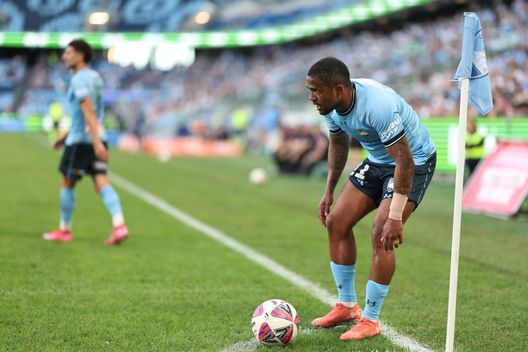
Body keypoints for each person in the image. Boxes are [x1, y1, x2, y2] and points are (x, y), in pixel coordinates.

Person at [306, 57, 436, 340]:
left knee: (381, 232)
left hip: (415, 161)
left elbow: (405, 160)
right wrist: (328, 191)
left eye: (316, 90)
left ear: (339, 89)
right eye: (310, 90)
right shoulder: (330, 108)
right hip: (378, 161)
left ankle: (371, 319)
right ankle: (347, 306)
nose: (312, 97)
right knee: (337, 221)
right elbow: (338, 145)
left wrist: (395, 216)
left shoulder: (377, 104)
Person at [43, 39, 128, 245]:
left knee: (67, 182)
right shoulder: (96, 77)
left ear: (81, 55)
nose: (64, 56)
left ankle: (64, 230)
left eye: (69, 53)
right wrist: (66, 138)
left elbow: (87, 110)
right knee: (101, 182)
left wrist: (94, 142)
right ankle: (119, 225)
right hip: (98, 136)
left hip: (82, 141)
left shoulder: (79, 79)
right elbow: (89, 115)